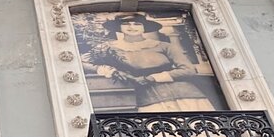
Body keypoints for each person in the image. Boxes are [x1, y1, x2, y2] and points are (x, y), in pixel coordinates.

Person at [82, 12, 217, 112]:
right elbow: (82, 63)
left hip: (187, 96)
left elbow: (188, 69)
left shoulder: (164, 46)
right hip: (149, 99)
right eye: (126, 23)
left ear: (144, 27)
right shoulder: (108, 48)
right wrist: (112, 71)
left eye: (137, 24)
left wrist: (152, 78)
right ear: (119, 27)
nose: (132, 27)